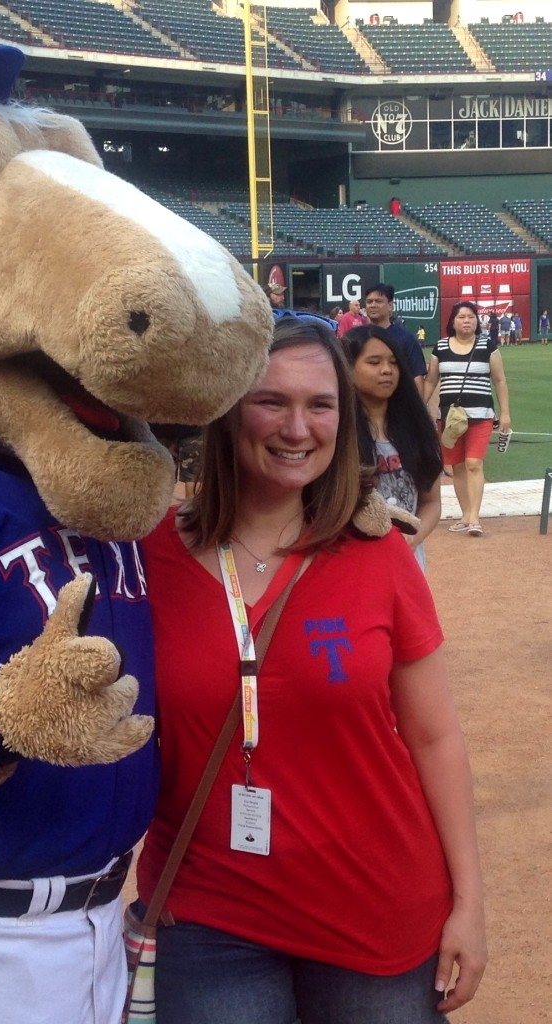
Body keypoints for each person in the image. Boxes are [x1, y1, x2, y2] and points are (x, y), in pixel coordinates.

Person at [135, 314, 486, 1024]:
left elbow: (434, 737)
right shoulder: (152, 557)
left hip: (375, 906)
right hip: (211, 909)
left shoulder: (380, 554)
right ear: (229, 411)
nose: (298, 427)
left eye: (320, 405)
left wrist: (470, 903)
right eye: (272, 401)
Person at [342, 324, 443, 570]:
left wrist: (413, 538)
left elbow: (431, 502)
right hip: (354, 564)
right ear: (347, 366)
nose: (387, 370)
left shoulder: (417, 428)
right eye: (374, 362)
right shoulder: (337, 432)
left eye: (394, 362)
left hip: (407, 563)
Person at [423, 300, 511, 537]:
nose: (466, 321)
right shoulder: (440, 347)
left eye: (471, 316)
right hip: (450, 419)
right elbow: (431, 380)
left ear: (477, 321)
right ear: (453, 321)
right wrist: (419, 406)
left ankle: (475, 517)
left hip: (480, 416)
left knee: (473, 463)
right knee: (458, 466)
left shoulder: (487, 345)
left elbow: (499, 380)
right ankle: (465, 514)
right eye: (461, 317)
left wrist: (505, 413)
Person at [363, 283, 427, 390]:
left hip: (398, 402)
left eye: (378, 301)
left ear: (390, 306)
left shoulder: (406, 339)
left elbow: (417, 377)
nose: (373, 305)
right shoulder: (358, 338)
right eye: (369, 302)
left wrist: (416, 406)